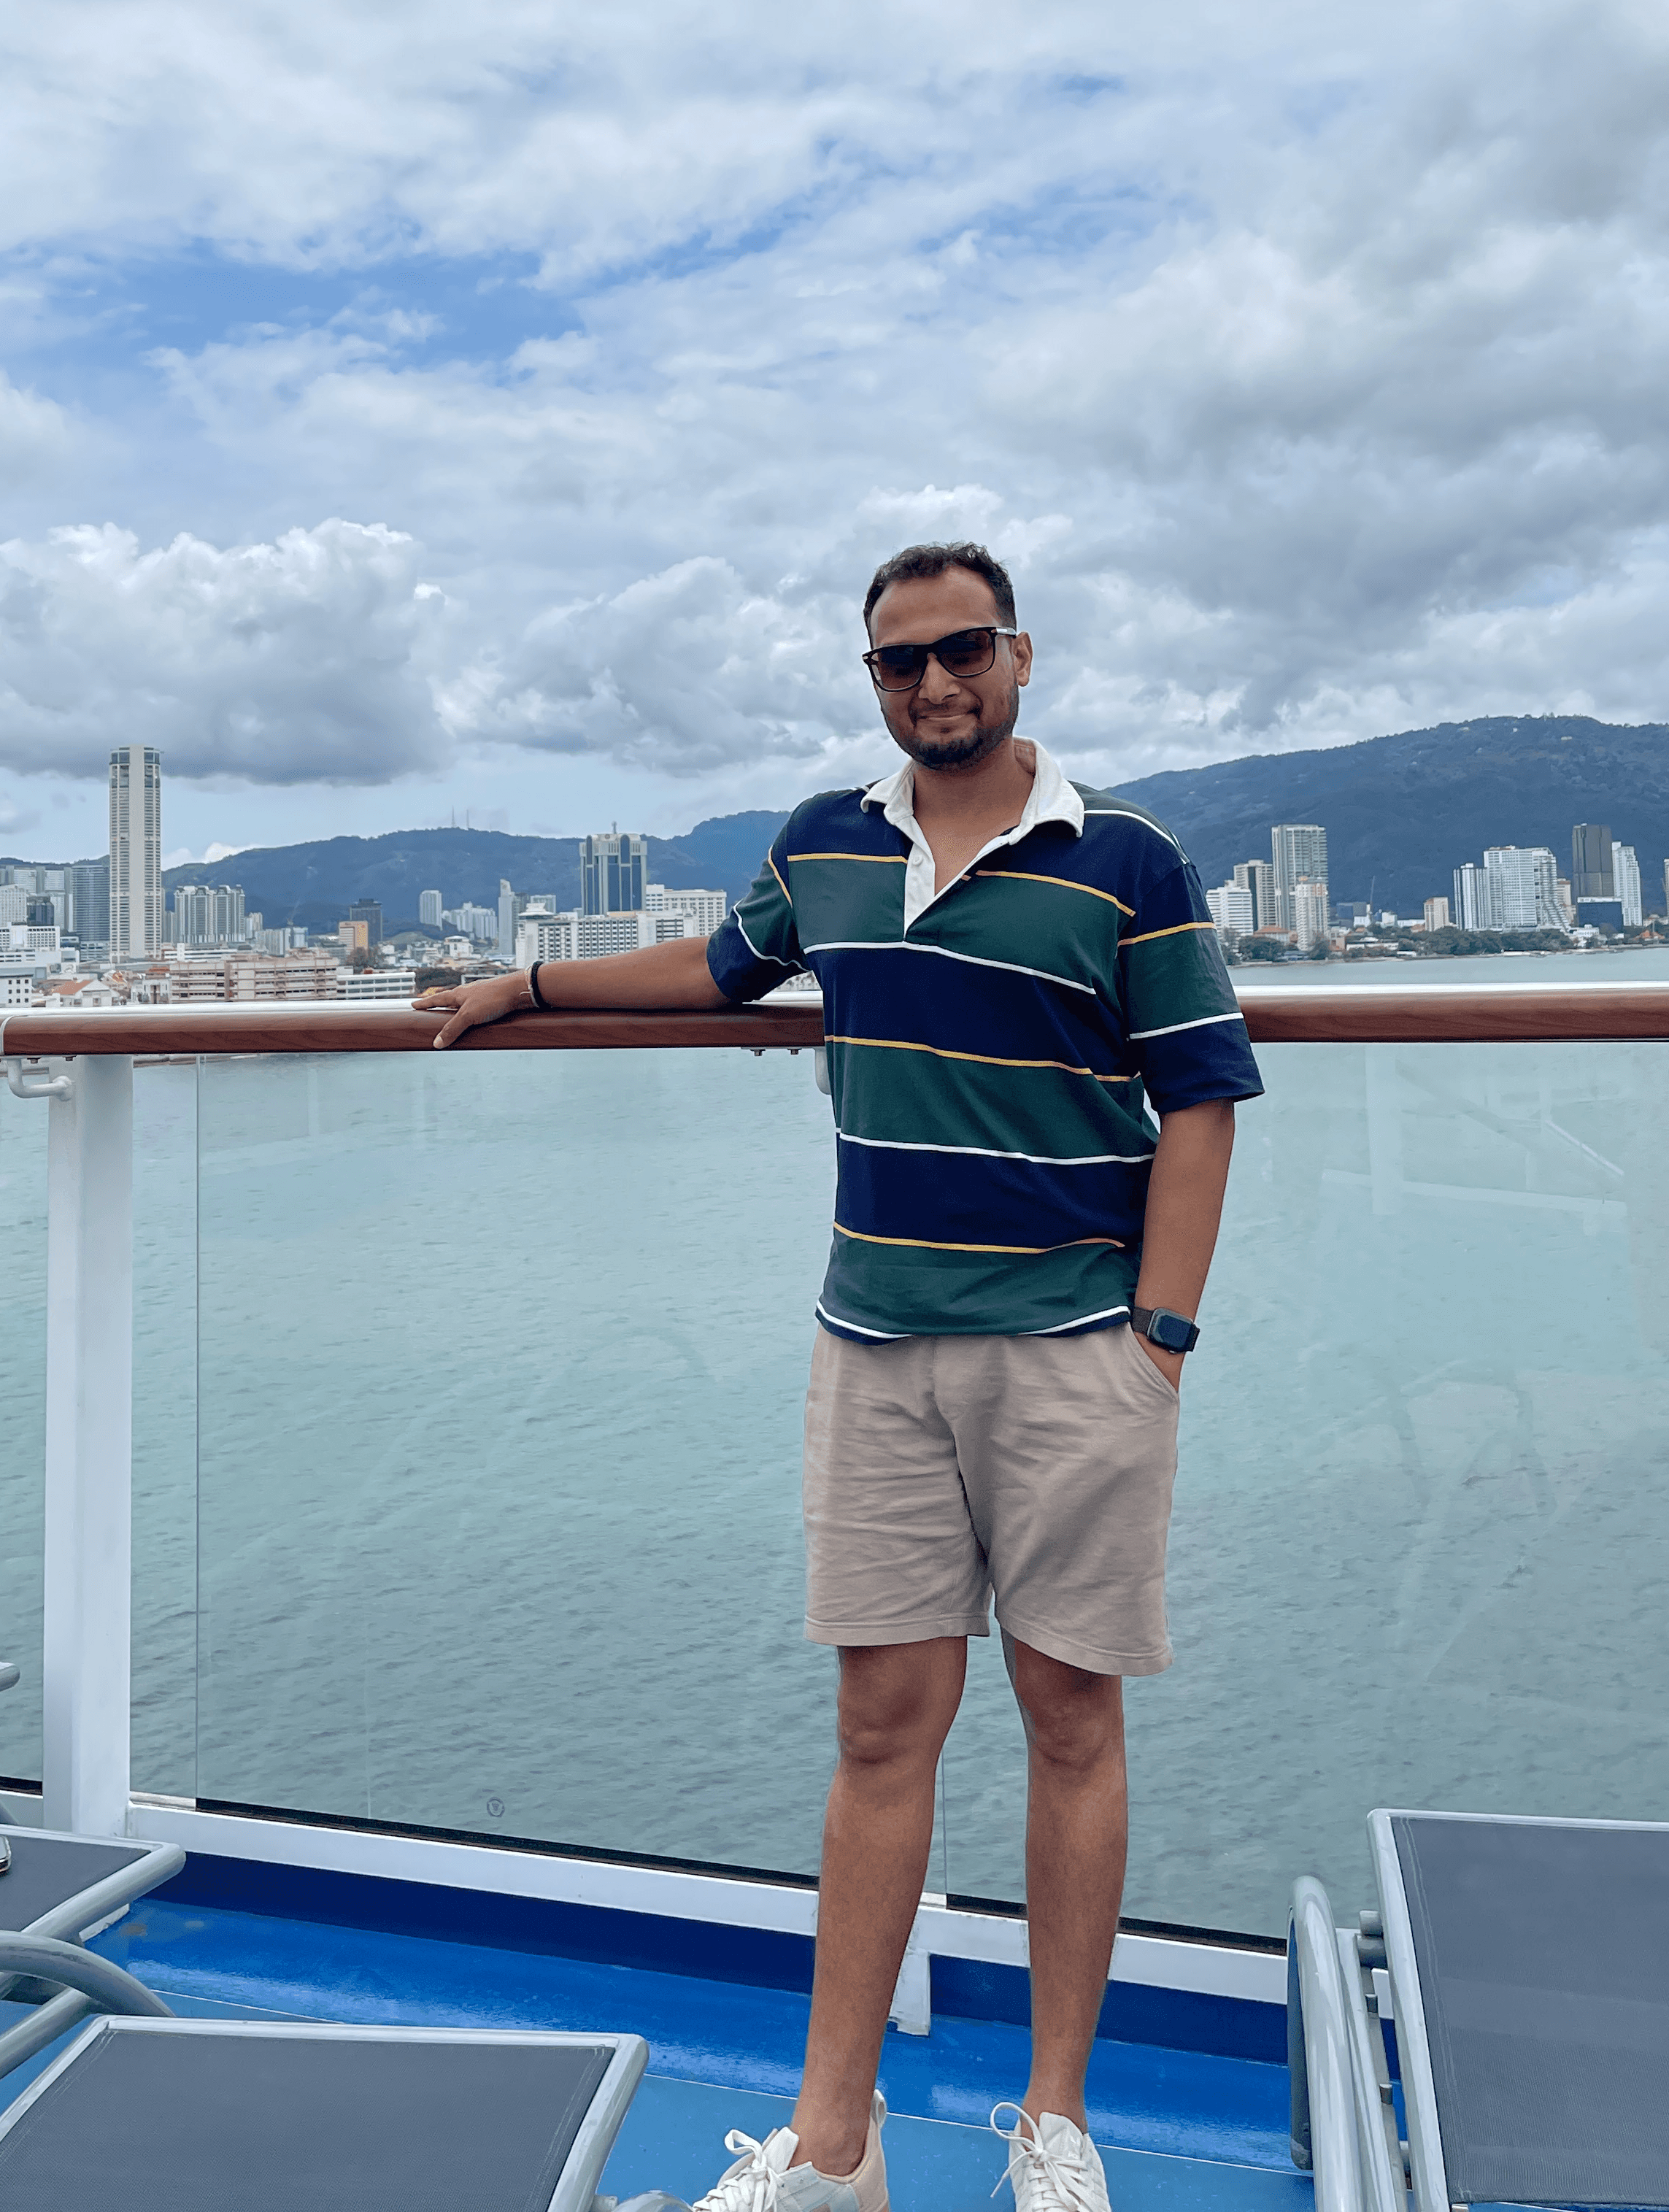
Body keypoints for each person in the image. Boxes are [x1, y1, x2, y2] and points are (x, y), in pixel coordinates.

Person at [415, 540, 1260, 2212]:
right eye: (899, 662)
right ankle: (833, 2143)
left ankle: (1056, 2124)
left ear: (1020, 656)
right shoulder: (829, 840)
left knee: (1070, 1720)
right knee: (881, 1731)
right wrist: (527, 984)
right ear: (871, 679)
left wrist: (1159, 1339)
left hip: (1076, 1346)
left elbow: (1201, 1099)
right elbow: (719, 969)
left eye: (962, 651)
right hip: (873, 1347)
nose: (933, 682)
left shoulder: (1126, 858)